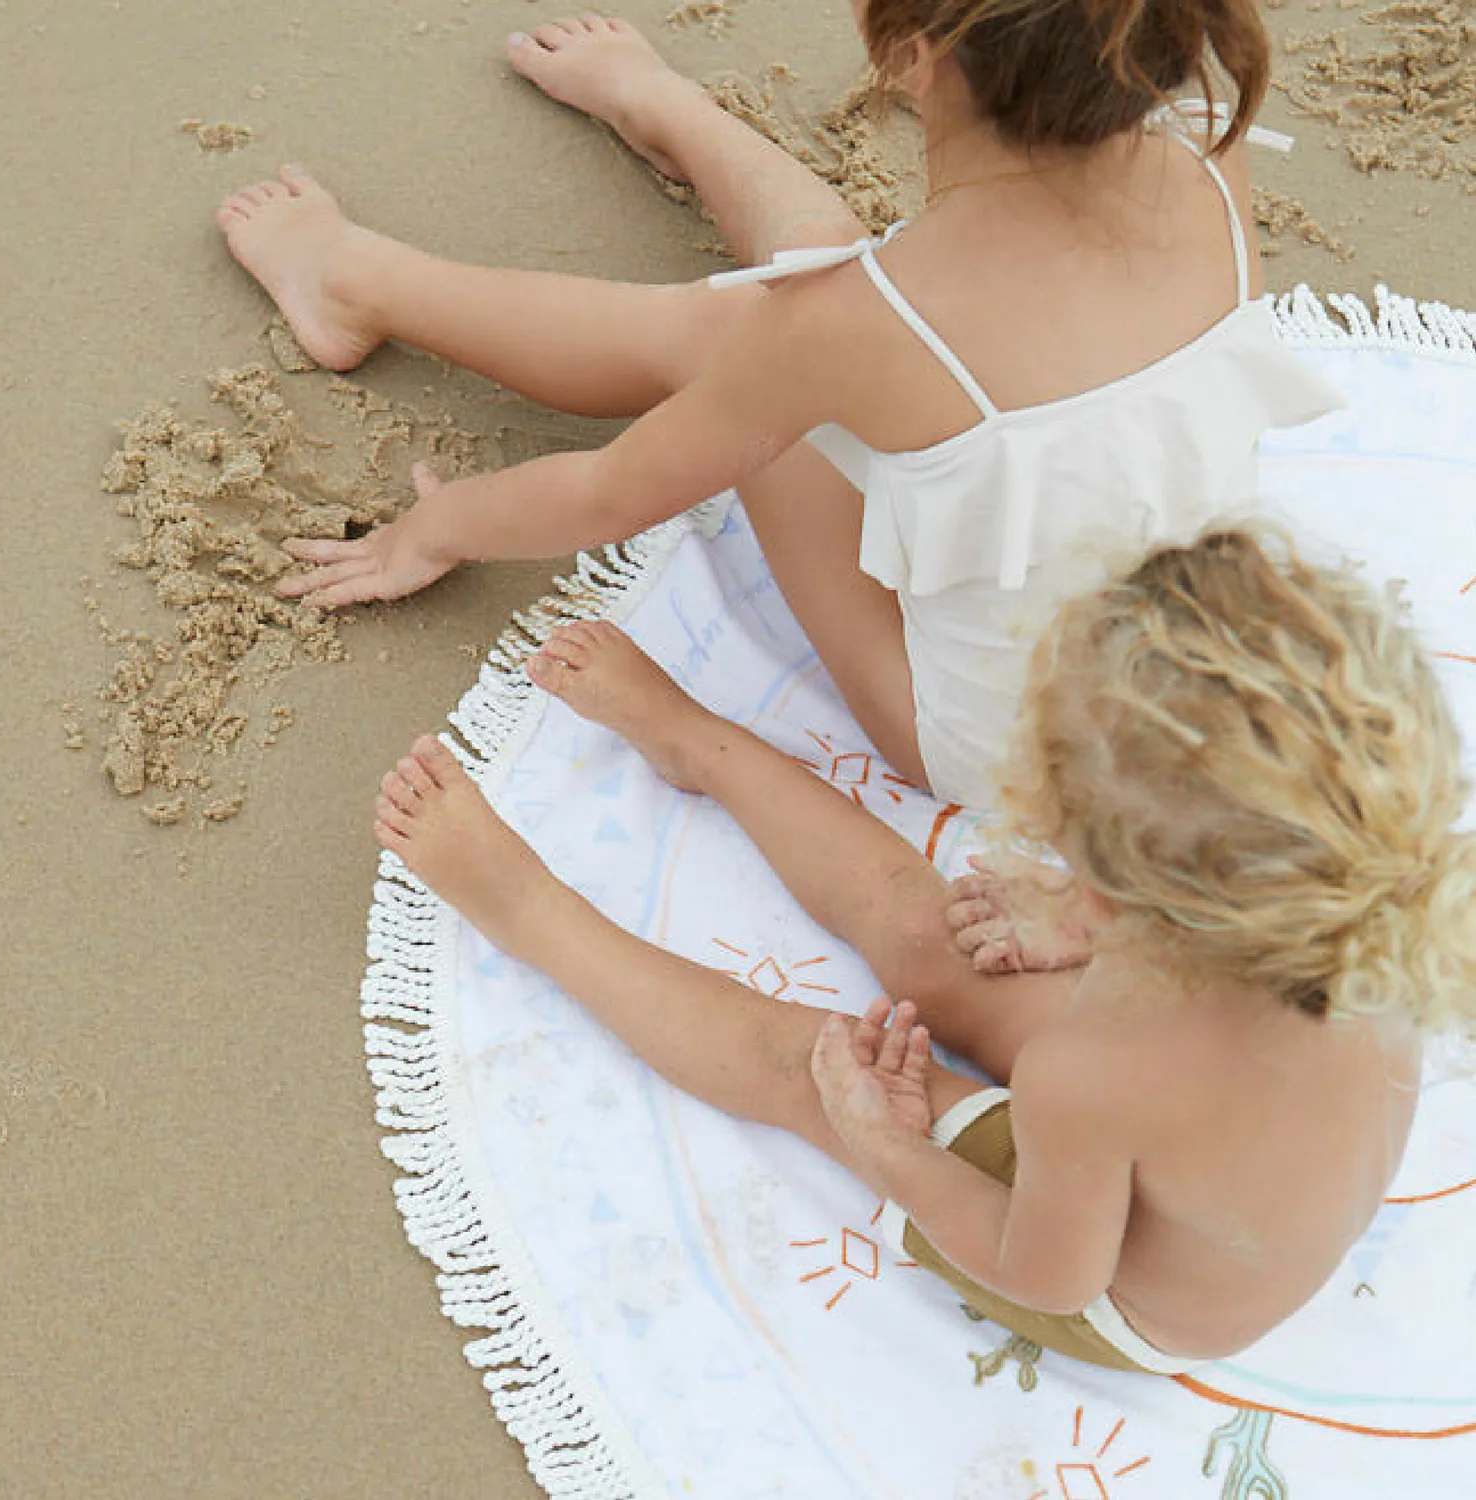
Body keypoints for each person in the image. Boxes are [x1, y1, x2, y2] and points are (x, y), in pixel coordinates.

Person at [372, 527, 1476, 1371]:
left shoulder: (1091, 1079)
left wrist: (890, 1148)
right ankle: (696, 746)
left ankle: (526, 909)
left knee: (815, 1062)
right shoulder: (1365, 886)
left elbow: (1045, 1274)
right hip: (1200, 1109)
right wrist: (1083, 918)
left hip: (1126, 1292)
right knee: (925, 927)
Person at [215, 5, 1341, 806]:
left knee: (747, 327)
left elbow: (612, 490)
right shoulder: (1209, 154)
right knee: (819, 291)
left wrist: (436, 527)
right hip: (1171, 678)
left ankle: (354, 282)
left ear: (914, 59)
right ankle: (667, 110)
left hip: (1001, 748)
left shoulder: (867, 323)